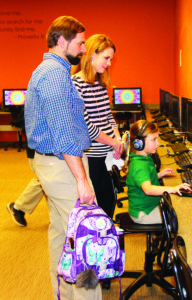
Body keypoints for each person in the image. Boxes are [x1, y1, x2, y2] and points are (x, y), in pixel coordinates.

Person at [24, 16, 102, 300]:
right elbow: (63, 132)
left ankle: (64, 296)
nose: (83, 49)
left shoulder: (50, 70)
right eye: (80, 43)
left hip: (54, 163)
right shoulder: (55, 75)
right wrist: (82, 180)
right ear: (61, 41)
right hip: (63, 166)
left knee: (62, 234)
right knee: (85, 240)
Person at [71, 34, 122, 218]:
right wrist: (112, 142)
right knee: (98, 206)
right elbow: (87, 126)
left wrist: (117, 138)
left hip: (108, 154)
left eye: (111, 59)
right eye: (106, 58)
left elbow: (108, 116)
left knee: (110, 200)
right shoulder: (76, 84)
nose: (109, 63)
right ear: (92, 55)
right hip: (92, 156)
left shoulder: (100, 83)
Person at [126, 120, 192, 224]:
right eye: (154, 140)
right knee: (181, 217)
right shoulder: (139, 165)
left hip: (148, 206)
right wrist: (173, 189)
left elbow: (143, 179)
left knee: (178, 209)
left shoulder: (143, 157)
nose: (158, 143)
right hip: (144, 213)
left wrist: (159, 175)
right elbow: (147, 189)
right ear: (139, 143)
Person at [7, 108, 46, 227]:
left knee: (48, 183)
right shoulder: (33, 98)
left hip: (49, 150)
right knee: (44, 180)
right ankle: (18, 207)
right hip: (38, 150)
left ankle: (57, 219)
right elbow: (25, 125)